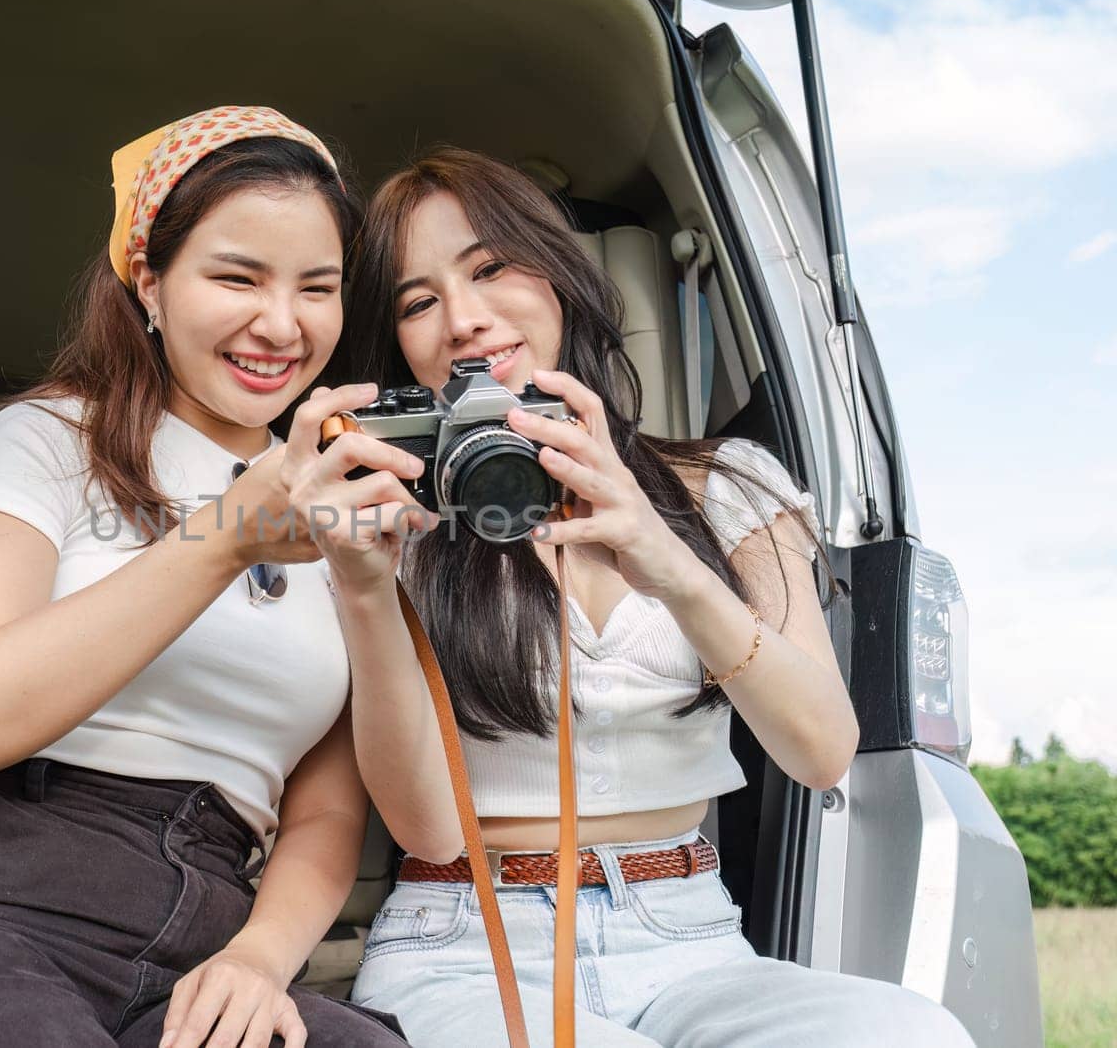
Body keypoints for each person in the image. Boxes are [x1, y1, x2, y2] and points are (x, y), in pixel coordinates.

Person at [280, 147, 975, 1046]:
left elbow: (823, 750)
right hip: (463, 940)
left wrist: (667, 556)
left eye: (492, 267)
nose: (465, 317)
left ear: (560, 272)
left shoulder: (729, 484)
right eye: (419, 301)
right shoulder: (394, 522)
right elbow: (427, 828)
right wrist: (366, 589)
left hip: (690, 936)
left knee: (915, 1034)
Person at [0, 107, 412, 1048]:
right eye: (236, 276)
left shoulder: (344, 498)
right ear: (150, 281)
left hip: (210, 922)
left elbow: (323, 809)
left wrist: (258, 958)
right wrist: (231, 533)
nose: (280, 324)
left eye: (317, 288)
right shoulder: (48, 437)